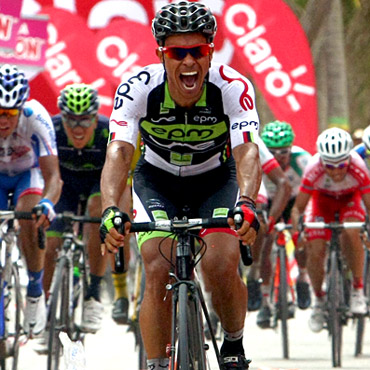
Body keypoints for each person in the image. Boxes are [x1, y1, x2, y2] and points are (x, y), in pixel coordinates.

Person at [99, 2, 262, 369]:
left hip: (215, 179)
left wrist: (248, 202)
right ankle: (157, 363)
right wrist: (111, 207)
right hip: (156, 180)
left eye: (197, 51)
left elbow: (248, 151)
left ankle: (233, 343)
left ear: (211, 51)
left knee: (221, 264)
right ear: (161, 54)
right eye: (177, 53)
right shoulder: (138, 88)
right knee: (157, 266)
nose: (188, 62)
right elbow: (119, 152)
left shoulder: (232, 86)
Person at [42, 83, 132, 335]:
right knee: (51, 246)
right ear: (62, 118)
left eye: (84, 121)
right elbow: (46, 173)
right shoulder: (53, 129)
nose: (77, 128)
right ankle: (48, 309)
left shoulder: (107, 131)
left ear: (95, 118)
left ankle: (93, 294)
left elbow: (119, 175)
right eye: (71, 121)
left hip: (97, 184)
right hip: (65, 186)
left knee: (96, 213)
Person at [0, 64, 62, 336]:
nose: (3, 121)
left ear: (21, 108)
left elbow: (53, 177)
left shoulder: (36, 116)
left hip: (29, 174)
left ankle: (35, 290)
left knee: (30, 214)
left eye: (10, 113)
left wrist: (47, 203)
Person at [291, 127, 369, 333]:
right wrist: (298, 234)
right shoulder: (312, 168)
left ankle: (357, 290)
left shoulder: (359, 167)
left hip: (349, 202)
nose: (336, 171)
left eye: (342, 165)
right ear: (321, 161)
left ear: (349, 160)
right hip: (322, 203)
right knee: (314, 249)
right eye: (329, 166)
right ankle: (318, 299)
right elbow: (298, 208)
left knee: (352, 233)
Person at [253, 121, 312, 328]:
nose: (279, 156)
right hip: (270, 203)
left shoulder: (303, 160)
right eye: (273, 152)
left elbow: (313, 192)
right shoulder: (259, 162)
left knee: (300, 236)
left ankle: (303, 276)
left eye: (284, 152)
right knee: (266, 243)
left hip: (295, 202)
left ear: (292, 148)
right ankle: (266, 301)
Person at [246, 136, 292, 312]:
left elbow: (283, 183)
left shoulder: (248, 135)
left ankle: (254, 271)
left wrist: (271, 221)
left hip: (246, 182)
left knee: (258, 221)